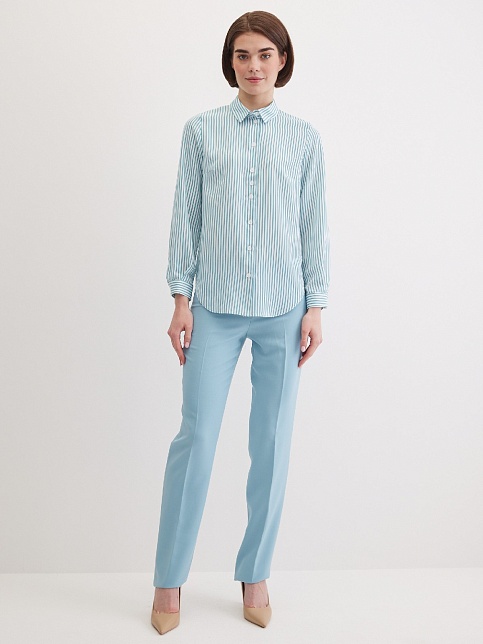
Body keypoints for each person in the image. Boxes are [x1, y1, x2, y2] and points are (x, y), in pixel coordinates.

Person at [151, 10, 330, 635]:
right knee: (196, 441)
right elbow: (186, 214)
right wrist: (180, 298)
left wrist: (315, 305)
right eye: (242, 55)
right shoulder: (201, 132)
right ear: (230, 63)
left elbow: (313, 224)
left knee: (272, 446)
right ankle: (168, 580)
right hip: (214, 309)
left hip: (283, 309)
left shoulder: (304, 138)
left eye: (264, 54)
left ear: (282, 61)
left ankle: (255, 574)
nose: (253, 65)